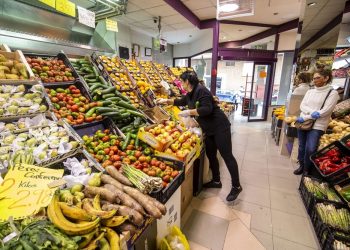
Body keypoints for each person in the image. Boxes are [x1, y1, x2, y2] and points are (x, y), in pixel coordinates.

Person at [156, 71, 242, 202]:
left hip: (220, 127)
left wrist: (189, 112)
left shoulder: (202, 91)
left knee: (227, 155)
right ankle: (216, 180)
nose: (181, 84)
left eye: (182, 81)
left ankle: (236, 186)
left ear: (187, 82)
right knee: (211, 154)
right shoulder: (190, 93)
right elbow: (181, 101)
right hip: (208, 128)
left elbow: (207, 109)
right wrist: (166, 100)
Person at [294, 69, 339, 175]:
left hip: (317, 125)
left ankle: (307, 169)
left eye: (317, 78)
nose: (315, 80)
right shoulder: (310, 91)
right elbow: (302, 106)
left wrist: (306, 117)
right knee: (301, 146)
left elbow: (324, 111)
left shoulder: (332, 93)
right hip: (304, 123)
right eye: (314, 78)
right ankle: (301, 165)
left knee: (311, 148)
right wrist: (312, 113)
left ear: (326, 78)